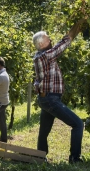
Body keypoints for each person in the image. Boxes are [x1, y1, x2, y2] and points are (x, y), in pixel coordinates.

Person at [32, 18, 86, 164]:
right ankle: (75, 158)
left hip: (46, 98)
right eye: (48, 38)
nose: (50, 39)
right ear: (42, 43)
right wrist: (79, 23)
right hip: (50, 99)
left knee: (44, 131)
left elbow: (61, 43)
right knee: (78, 124)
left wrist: (77, 26)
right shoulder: (45, 56)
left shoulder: (41, 55)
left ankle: (40, 157)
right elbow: (64, 43)